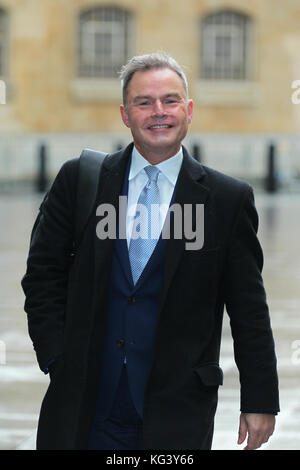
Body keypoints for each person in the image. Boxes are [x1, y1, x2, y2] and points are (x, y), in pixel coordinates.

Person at [21, 52, 279, 451]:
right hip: (83, 404)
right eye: (144, 102)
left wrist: (260, 399)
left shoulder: (227, 200)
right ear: (126, 115)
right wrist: (57, 357)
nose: (159, 112)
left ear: (188, 110)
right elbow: (42, 275)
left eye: (170, 100)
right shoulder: (81, 181)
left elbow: (249, 308)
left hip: (178, 409)